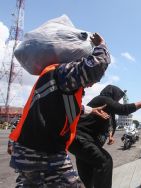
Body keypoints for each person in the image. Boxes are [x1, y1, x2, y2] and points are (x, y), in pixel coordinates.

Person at [8, 33, 111, 187]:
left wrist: (91, 110)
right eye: (95, 81)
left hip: (39, 149)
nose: (93, 83)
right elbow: (94, 67)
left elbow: (64, 108)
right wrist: (102, 45)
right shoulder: (62, 72)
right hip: (39, 151)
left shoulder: (57, 81)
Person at [69, 85, 141, 188]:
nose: (118, 101)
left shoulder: (109, 109)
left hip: (81, 142)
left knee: (88, 177)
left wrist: (110, 136)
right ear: (113, 94)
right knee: (105, 162)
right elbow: (124, 109)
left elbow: (111, 123)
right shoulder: (103, 100)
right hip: (80, 139)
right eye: (118, 98)